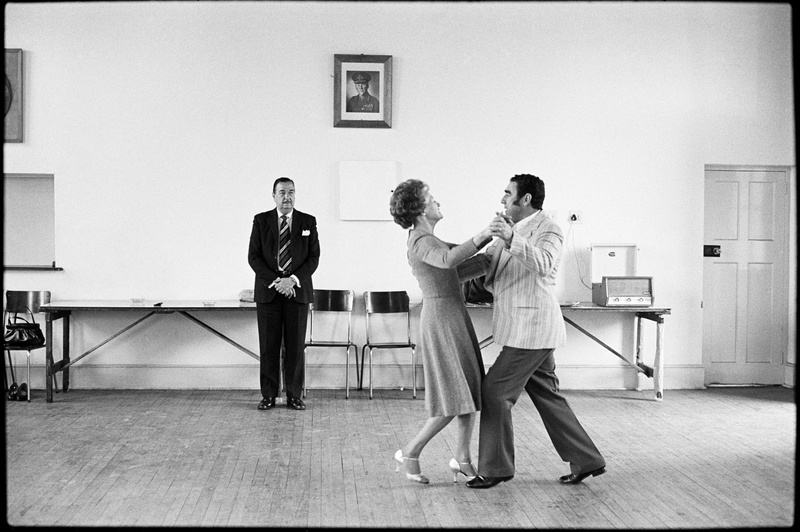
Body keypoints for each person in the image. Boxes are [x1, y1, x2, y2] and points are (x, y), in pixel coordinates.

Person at [465, 174, 606, 489]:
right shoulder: (509, 232)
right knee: (547, 394)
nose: (502, 200)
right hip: (523, 328)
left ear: (525, 199)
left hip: (533, 329)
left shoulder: (549, 230)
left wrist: (511, 238)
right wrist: (443, 262)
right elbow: (485, 267)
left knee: (494, 392)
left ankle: (496, 467)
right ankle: (587, 459)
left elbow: (543, 263)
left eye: (507, 194)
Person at [388, 179, 492, 484]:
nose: (437, 203)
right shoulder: (421, 242)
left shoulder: (429, 239)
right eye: (431, 199)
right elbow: (448, 260)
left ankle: (462, 458)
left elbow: (457, 271)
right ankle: (410, 450)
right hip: (441, 318)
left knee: (469, 390)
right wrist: (486, 235)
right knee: (453, 395)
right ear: (420, 209)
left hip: (453, 315)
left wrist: (490, 254)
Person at [248, 177, 320, 411]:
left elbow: (313, 258)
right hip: (269, 292)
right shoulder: (261, 221)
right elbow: (254, 257)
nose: (287, 197)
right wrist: (277, 281)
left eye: (291, 192)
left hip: (297, 292)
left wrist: (293, 280)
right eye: (282, 193)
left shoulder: (308, 221)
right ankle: (268, 395)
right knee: (269, 346)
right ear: (274, 196)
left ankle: (293, 395)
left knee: (295, 346)